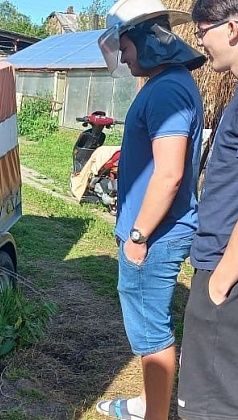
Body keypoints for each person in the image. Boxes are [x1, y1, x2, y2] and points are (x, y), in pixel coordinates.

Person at [95, 0, 205, 418]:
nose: (122, 57)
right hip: (155, 231)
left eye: (124, 47)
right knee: (148, 323)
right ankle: (148, 402)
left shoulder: (169, 90)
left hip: (155, 236)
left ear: (145, 39)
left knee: (150, 329)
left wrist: (138, 236)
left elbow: (170, 173)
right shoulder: (166, 84)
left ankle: (155, 414)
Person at [177, 1, 238, 418]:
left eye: (204, 29)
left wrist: (220, 281)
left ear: (232, 28)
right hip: (221, 265)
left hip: (225, 272)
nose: (200, 40)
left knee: (208, 406)